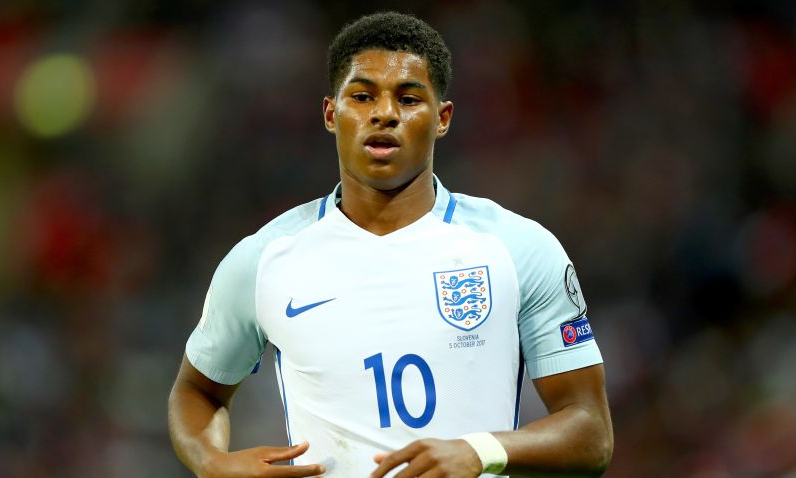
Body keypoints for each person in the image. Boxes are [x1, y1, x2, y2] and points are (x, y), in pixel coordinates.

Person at [169, 11, 613, 478]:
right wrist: (211, 462)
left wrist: (479, 450)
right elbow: (196, 391)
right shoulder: (263, 260)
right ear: (330, 113)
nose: (384, 113)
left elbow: (591, 434)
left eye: (408, 97)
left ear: (442, 118)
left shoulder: (518, 249)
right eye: (362, 97)